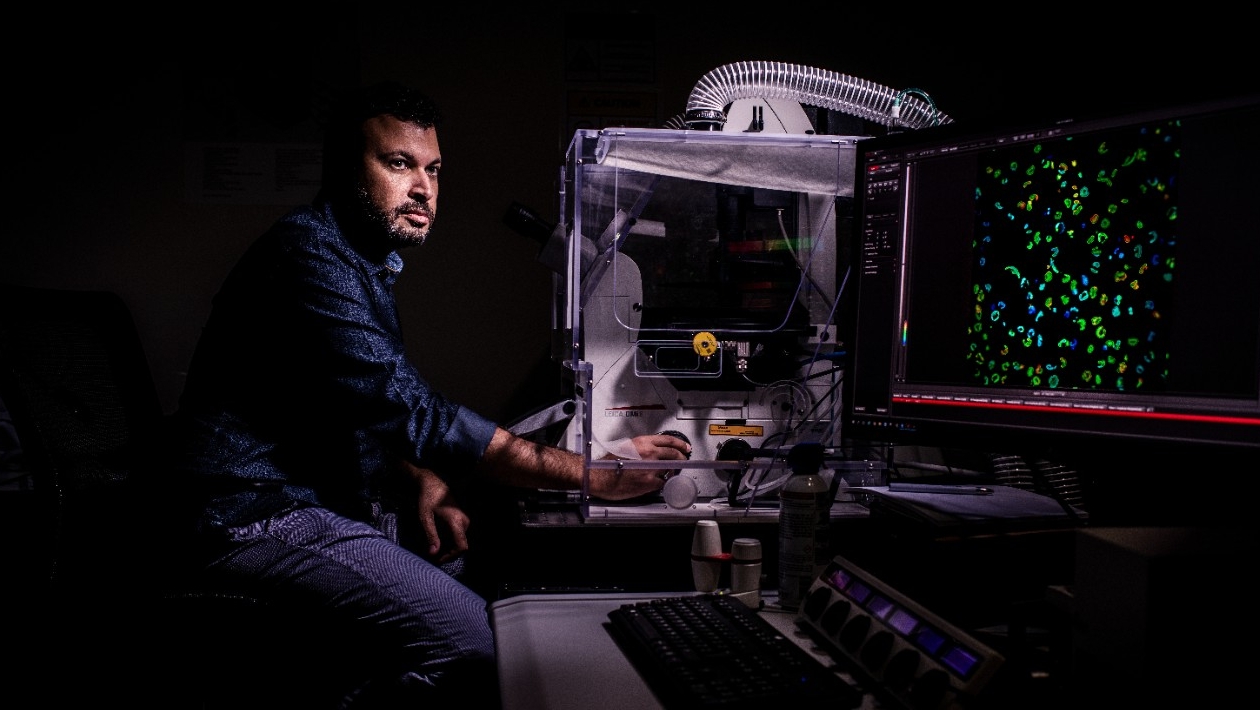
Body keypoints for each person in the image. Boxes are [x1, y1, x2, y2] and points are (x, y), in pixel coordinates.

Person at [164, 80, 690, 708]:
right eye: (398, 163)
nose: (423, 188)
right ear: (343, 169)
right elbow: (417, 412)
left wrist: (422, 478)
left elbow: (361, 402)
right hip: (251, 515)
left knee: (485, 570)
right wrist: (594, 475)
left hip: (305, 500)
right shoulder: (310, 258)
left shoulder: (359, 259)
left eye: (433, 169)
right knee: (478, 645)